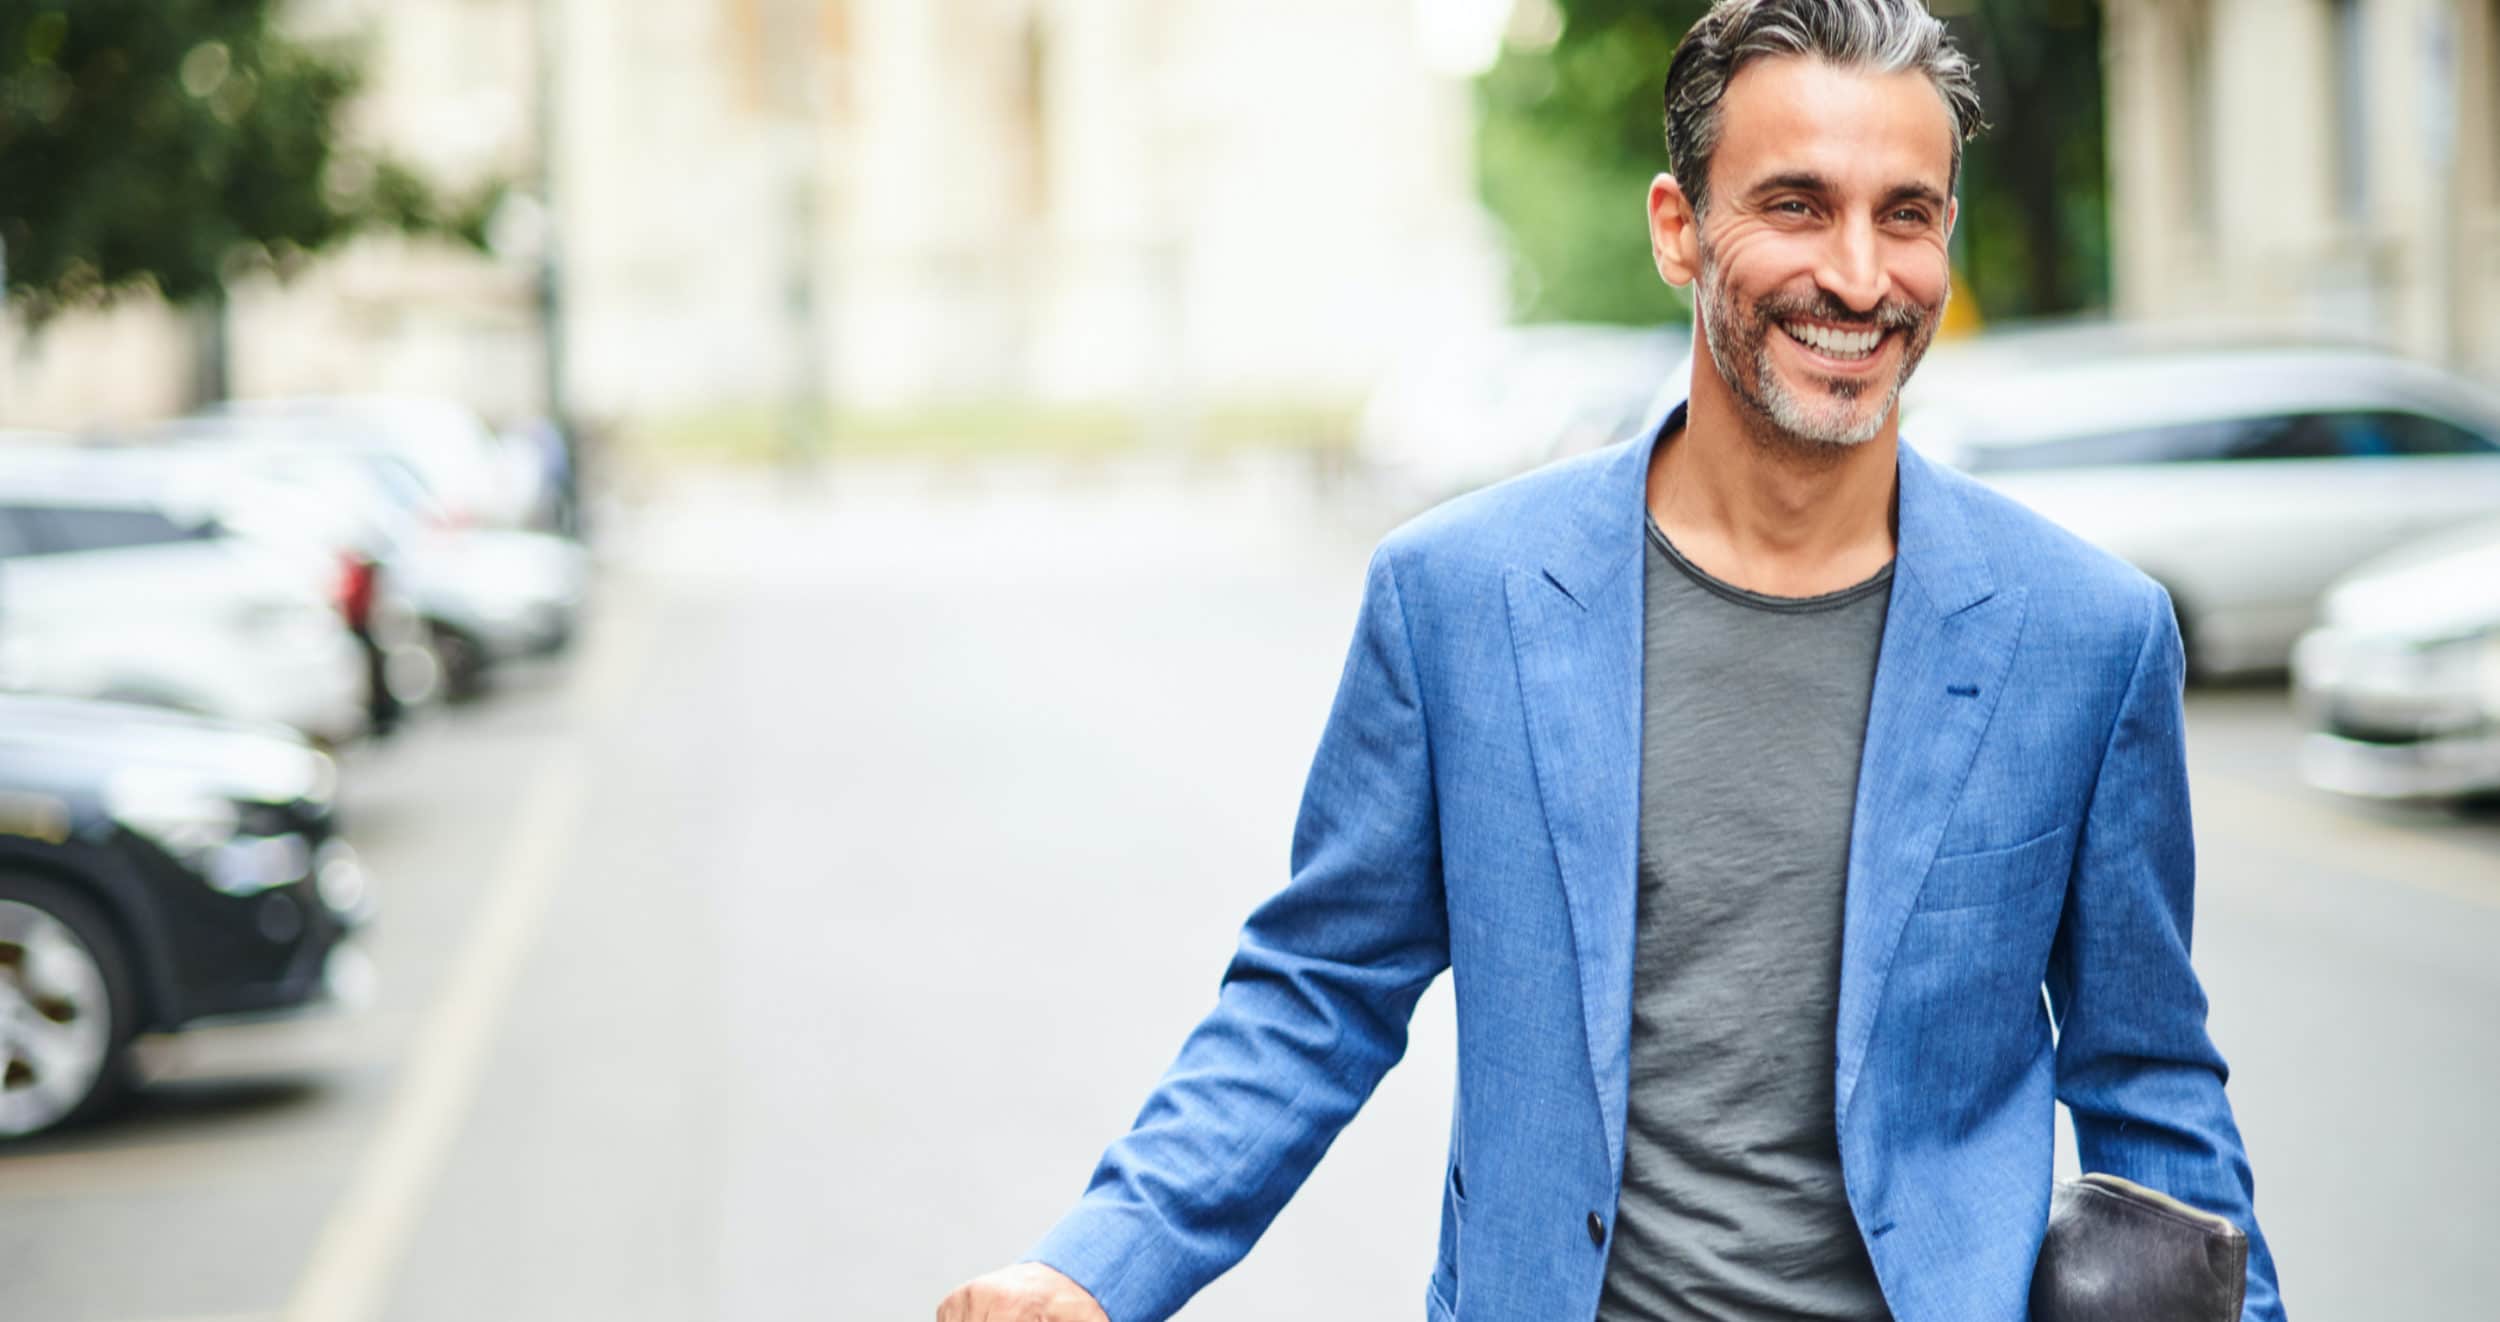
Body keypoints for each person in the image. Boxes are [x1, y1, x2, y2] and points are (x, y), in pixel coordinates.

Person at [938, 1, 2285, 1318]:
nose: (1862, 278)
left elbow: (2151, 1078)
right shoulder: (1461, 599)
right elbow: (1316, 992)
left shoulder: (2087, 635)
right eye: (1799, 205)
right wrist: (1097, 1265)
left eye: (1908, 214)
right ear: (1679, 228)